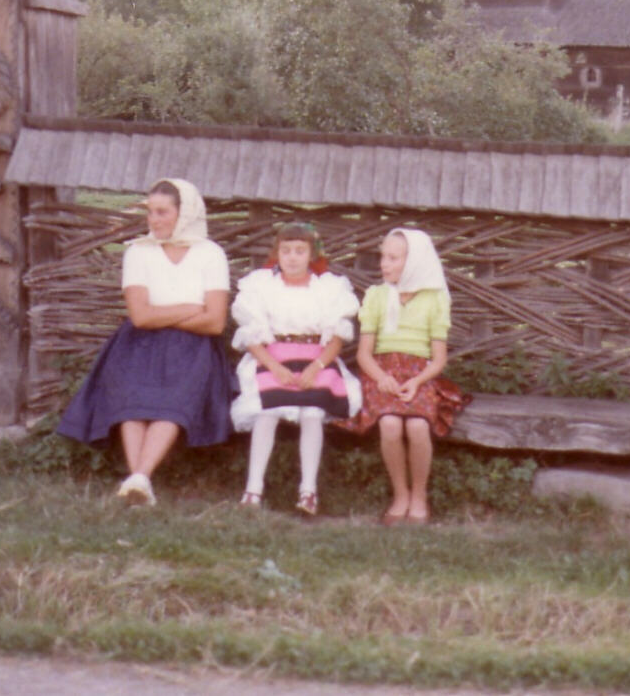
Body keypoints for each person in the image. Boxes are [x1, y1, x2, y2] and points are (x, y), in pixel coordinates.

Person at [57, 178, 233, 506]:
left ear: (185, 213)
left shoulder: (211, 254)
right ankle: (140, 480)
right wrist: (189, 307)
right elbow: (140, 317)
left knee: (173, 401)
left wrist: (164, 313)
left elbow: (215, 322)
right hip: (139, 343)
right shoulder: (139, 252)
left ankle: (138, 478)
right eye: (150, 212)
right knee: (132, 401)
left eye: (162, 212)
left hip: (193, 346)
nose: (154, 220)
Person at [229, 222, 360, 516]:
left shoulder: (328, 288)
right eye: (285, 251)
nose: (292, 257)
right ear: (277, 253)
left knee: (312, 412)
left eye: (300, 251)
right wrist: (273, 366)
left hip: (317, 358)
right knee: (268, 410)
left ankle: (308, 491)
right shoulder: (261, 286)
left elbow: (337, 337)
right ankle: (253, 489)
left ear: (312, 254)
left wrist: (317, 366)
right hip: (272, 357)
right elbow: (252, 336)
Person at [339, 228, 468, 525]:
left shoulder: (434, 299)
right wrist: (381, 377)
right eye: (383, 257)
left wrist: (418, 381)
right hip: (381, 371)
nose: (384, 264)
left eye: (393, 258)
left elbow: (438, 359)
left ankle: (420, 495)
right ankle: (400, 494)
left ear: (414, 262)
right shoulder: (376, 296)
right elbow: (364, 355)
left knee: (419, 427)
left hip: (419, 374)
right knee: (390, 423)